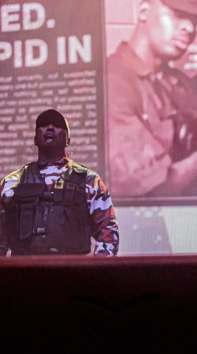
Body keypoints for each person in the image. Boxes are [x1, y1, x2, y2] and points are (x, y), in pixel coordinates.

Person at [106, 0, 197, 197]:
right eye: (178, 14)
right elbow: (157, 188)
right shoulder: (113, 84)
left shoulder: (176, 80)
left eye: (195, 20)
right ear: (143, 11)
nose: (189, 28)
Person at [0, 109, 119, 256]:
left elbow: (107, 230)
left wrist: (97, 268)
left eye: (57, 125)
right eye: (43, 124)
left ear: (68, 139)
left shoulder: (89, 181)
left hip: (72, 268)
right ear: (35, 138)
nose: (50, 127)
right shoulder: (12, 183)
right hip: (25, 268)